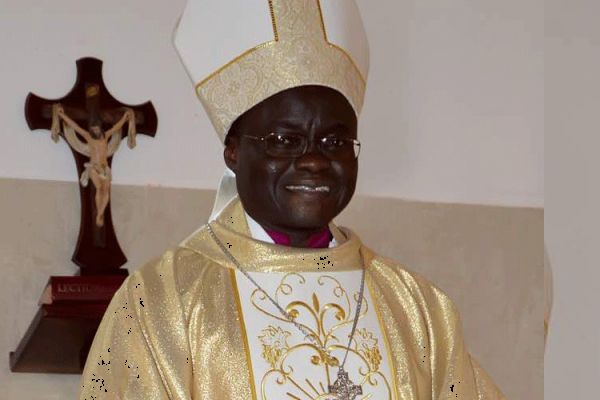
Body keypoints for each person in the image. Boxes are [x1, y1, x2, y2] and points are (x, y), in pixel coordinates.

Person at [79, 1, 505, 399]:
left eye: (335, 140)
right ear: (233, 151)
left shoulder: (417, 307)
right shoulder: (163, 300)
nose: (315, 160)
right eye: (286, 140)